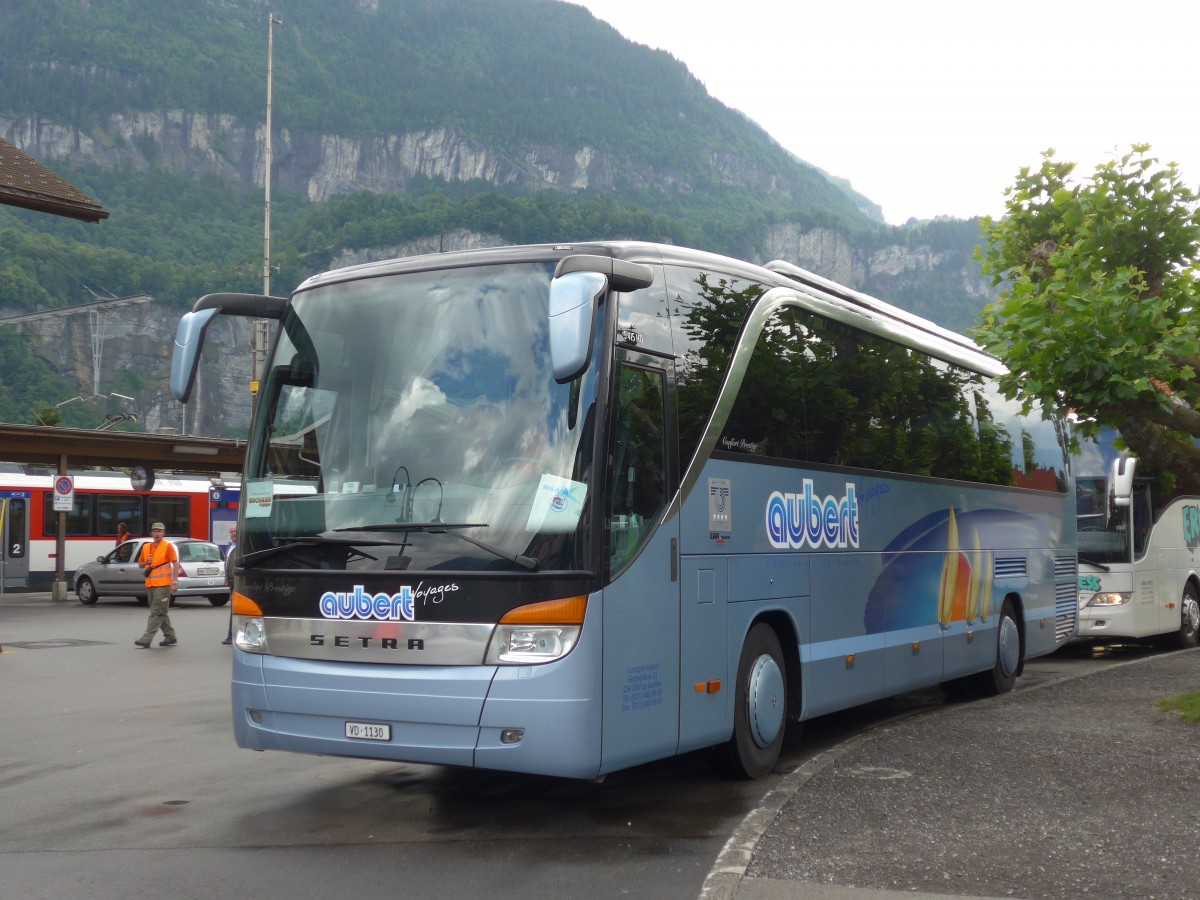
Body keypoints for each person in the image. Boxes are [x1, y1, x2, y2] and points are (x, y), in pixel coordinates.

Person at [134, 522, 179, 649]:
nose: (157, 533)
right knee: (160, 611)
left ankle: (146, 638)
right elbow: (140, 564)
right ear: (151, 533)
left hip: (163, 585)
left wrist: (174, 583)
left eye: (159, 531)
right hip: (150, 584)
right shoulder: (146, 547)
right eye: (154, 531)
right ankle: (170, 636)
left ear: (163, 533)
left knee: (156, 611)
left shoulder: (167, 546)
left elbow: (175, 564)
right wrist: (145, 562)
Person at [221, 524, 237, 645]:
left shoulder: (242, 546)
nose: (233, 533)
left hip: (238, 581)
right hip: (231, 581)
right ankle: (231, 636)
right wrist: (226, 578)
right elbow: (227, 562)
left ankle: (231, 636)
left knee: (235, 608)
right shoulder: (230, 545)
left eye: (235, 531)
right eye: (231, 532)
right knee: (234, 608)